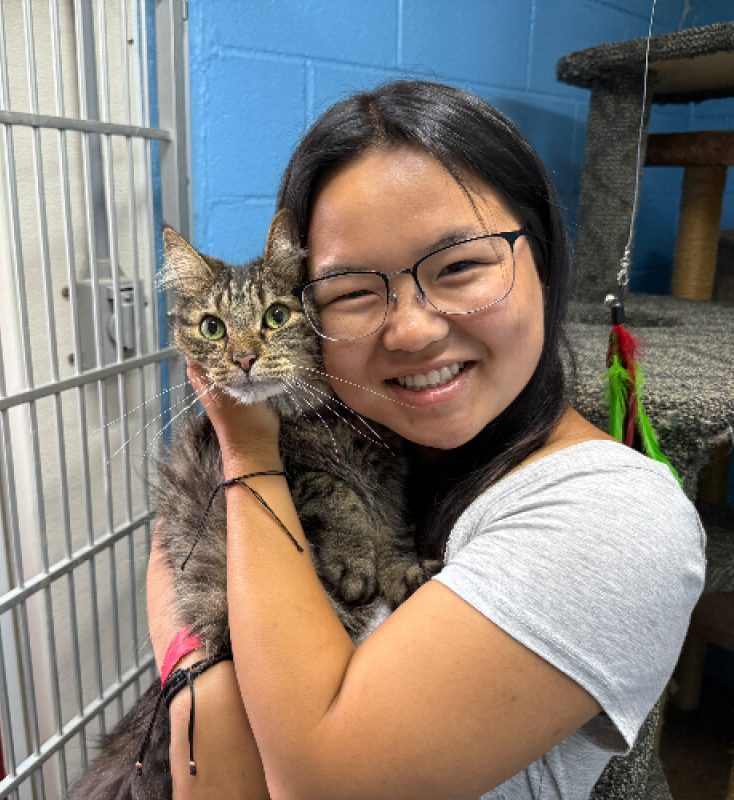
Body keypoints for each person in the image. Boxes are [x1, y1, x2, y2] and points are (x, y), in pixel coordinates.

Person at [147, 80, 705, 799]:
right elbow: (171, 537)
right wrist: (197, 678)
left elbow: (312, 784)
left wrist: (247, 459)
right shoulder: (366, 430)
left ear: (543, 258)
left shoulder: (618, 523)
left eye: (460, 266)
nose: (411, 331)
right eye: (352, 291)